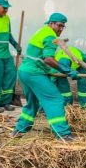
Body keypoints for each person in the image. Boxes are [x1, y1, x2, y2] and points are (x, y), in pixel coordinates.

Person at [12, 12, 77, 141]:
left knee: (33, 103)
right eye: (59, 25)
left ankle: (19, 130)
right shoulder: (50, 36)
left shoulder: (42, 31)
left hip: (24, 71)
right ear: (51, 23)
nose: (61, 29)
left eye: (63, 26)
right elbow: (48, 59)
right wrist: (67, 70)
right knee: (55, 99)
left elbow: (41, 58)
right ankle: (63, 134)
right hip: (34, 73)